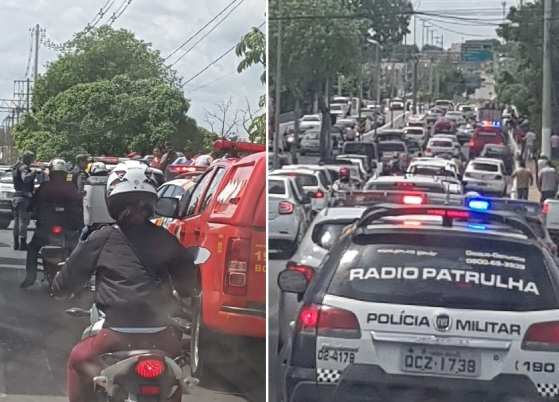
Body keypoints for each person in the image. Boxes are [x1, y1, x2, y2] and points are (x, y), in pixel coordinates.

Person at [51, 160, 196, 402]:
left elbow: (65, 283)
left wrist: (59, 288)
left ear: (113, 201)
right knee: (174, 376)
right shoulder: (165, 238)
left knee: (77, 361)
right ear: (151, 203)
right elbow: (189, 285)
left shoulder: (102, 237)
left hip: (113, 336)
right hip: (162, 337)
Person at [20, 159, 83, 288]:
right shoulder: (71, 187)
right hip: (67, 227)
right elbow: (79, 204)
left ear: (52, 172)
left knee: (32, 248)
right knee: (76, 251)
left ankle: (30, 277)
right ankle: (79, 281)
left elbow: (33, 203)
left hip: (46, 226)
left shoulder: (44, 186)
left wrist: (30, 210)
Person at [12, 151, 37, 250]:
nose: (32, 160)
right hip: (23, 198)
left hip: (16, 197)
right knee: (23, 221)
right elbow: (25, 178)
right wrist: (33, 172)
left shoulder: (16, 166)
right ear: (27, 158)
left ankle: (15, 243)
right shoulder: (24, 168)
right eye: (31, 158)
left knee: (16, 221)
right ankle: (22, 243)